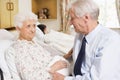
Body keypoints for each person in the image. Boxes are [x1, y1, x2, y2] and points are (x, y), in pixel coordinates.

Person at [51, 0, 120, 80]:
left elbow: (96, 78)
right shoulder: (80, 35)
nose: (69, 23)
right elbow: (80, 62)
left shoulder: (110, 40)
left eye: (72, 18)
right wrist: (64, 58)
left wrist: (65, 79)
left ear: (86, 18)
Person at [5, 12, 68, 80]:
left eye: (34, 25)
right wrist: (52, 68)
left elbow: (47, 57)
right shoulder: (19, 49)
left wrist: (64, 57)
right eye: (28, 26)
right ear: (18, 29)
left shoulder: (34, 42)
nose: (33, 30)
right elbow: (30, 77)